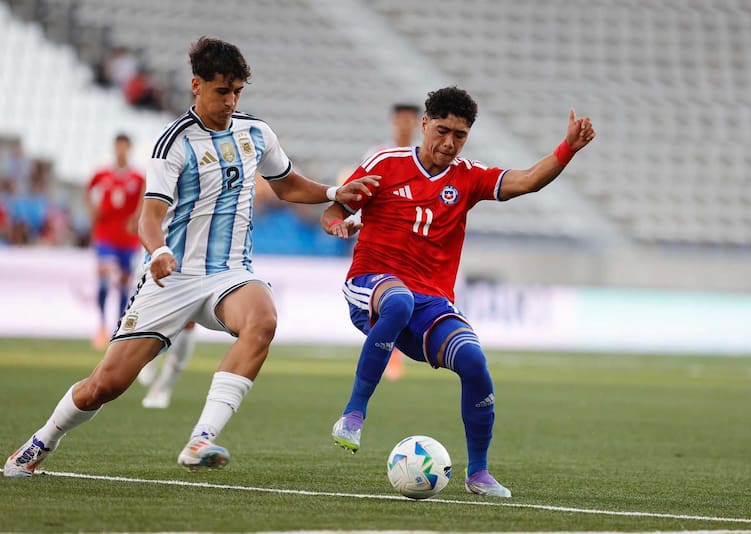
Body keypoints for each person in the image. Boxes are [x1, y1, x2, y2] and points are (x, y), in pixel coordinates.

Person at [4, 36, 378, 478]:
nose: (231, 101)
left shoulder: (256, 132)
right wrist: (159, 250)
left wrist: (334, 192)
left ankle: (202, 438)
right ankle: (38, 443)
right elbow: (149, 218)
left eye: (237, 92)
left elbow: (287, 184)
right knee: (104, 385)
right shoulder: (173, 143)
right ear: (196, 86)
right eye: (223, 91)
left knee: (263, 321)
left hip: (230, 275)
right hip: (174, 279)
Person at [323, 86, 595, 498]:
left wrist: (568, 148)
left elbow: (526, 182)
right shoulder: (385, 162)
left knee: (474, 362)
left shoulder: (467, 177)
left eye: (460, 135)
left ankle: (479, 473)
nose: (449, 143)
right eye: (443, 131)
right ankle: (353, 415)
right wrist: (336, 224)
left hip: (431, 302)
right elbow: (335, 209)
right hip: (371, 284)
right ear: (425, 124)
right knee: (399, 301)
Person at [358, 103, 422, 381]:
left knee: (404, 300)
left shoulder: (424, 156)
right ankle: (389, 354)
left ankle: (395, 351)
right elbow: (362, 191)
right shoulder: (378, 155)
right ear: (394, 122)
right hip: (381, 238)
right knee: (385, 301)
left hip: (412, 241)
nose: (404, 124)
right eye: (400, 119)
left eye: (410, 120)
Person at [84, 133, 145, 349]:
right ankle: (101, 325)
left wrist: (136, 218)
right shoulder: (102, 174)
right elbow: (88, 189)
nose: (121, 151)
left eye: (124, 147)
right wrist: (92, 209)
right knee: (104, 278)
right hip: (105, 236)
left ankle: (118, 328)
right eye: (118, 147)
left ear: (129, 149)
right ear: (114, 148)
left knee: (123, 284)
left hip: (128, 240)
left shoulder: (138, 178)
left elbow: (145, 199)